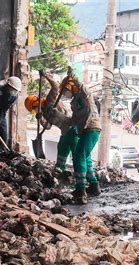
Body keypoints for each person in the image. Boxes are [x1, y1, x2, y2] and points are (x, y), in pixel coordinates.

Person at [58, 72, 101, 205]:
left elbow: (82, 87)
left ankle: (81, 190)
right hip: (84, 130)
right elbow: (72, 121)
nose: (65, 94)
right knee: (85, 157)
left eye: (66, 91)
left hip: (92, 127)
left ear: (72, 87)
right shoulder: (74, 103)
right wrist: (59, 116)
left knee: (79, 157)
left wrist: (74, 78)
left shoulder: (84, 95)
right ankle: (94, 186)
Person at [25, 71, 78, 173]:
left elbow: (55, 87)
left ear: (37, 102)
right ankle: (60, 173)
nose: (35, 110)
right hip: (65, 132)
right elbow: (48, 126)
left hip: (73, 128)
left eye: (35, 108)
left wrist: (46, 76)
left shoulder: (49, 101)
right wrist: (40, 119)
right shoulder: (43, 113)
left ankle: (81, 176)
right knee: (61, 151)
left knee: (76, 154)